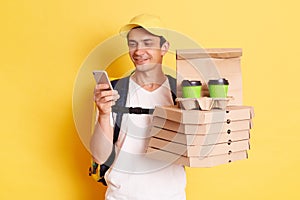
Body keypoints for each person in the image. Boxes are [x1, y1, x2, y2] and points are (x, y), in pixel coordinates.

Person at [90, 14, 186, 200]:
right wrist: (103, 113)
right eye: (133, 44)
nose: (138, 51)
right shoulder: (114, 92)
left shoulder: (180, 93)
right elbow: (99, 157)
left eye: (147, 43)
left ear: (164, 48)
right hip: (121, 196)